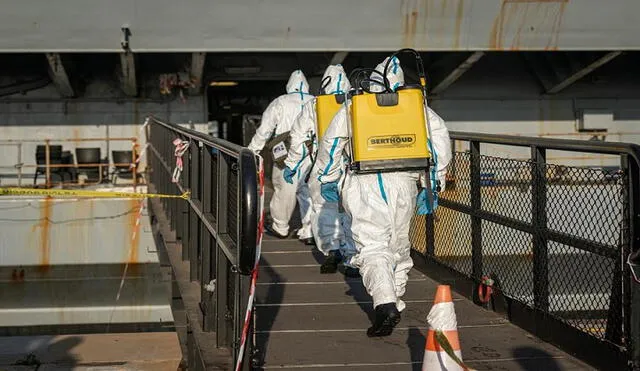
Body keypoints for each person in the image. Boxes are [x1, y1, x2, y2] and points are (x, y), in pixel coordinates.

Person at [315, 56, 452, 337]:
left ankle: (385, 303)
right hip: (405, 182)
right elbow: (440, 143)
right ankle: (395, 300)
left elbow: (331, 144)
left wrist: (326, 179)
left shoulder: (354, 106)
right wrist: (433, 184)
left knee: (372, 248)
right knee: (398, 247)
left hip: (363, 182)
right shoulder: (416, 107)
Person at [282, 65, 358, 275]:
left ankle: (332, 251)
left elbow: (298, 137)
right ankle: (353, 257)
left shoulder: (314, 105)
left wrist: (291, 165)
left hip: (323, 165)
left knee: (323, 209)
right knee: (353, 211)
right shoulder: (359, 102)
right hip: (354, 168)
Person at [248, 70, 315, 243]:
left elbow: (265, 129)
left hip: (285, 152)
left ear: (289, 85)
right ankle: (310, 230)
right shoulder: (315, 101)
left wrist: (252, 150)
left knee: (284, 189)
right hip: (311, 151)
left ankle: (281, 226)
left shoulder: (280, 102)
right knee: (308, 191)